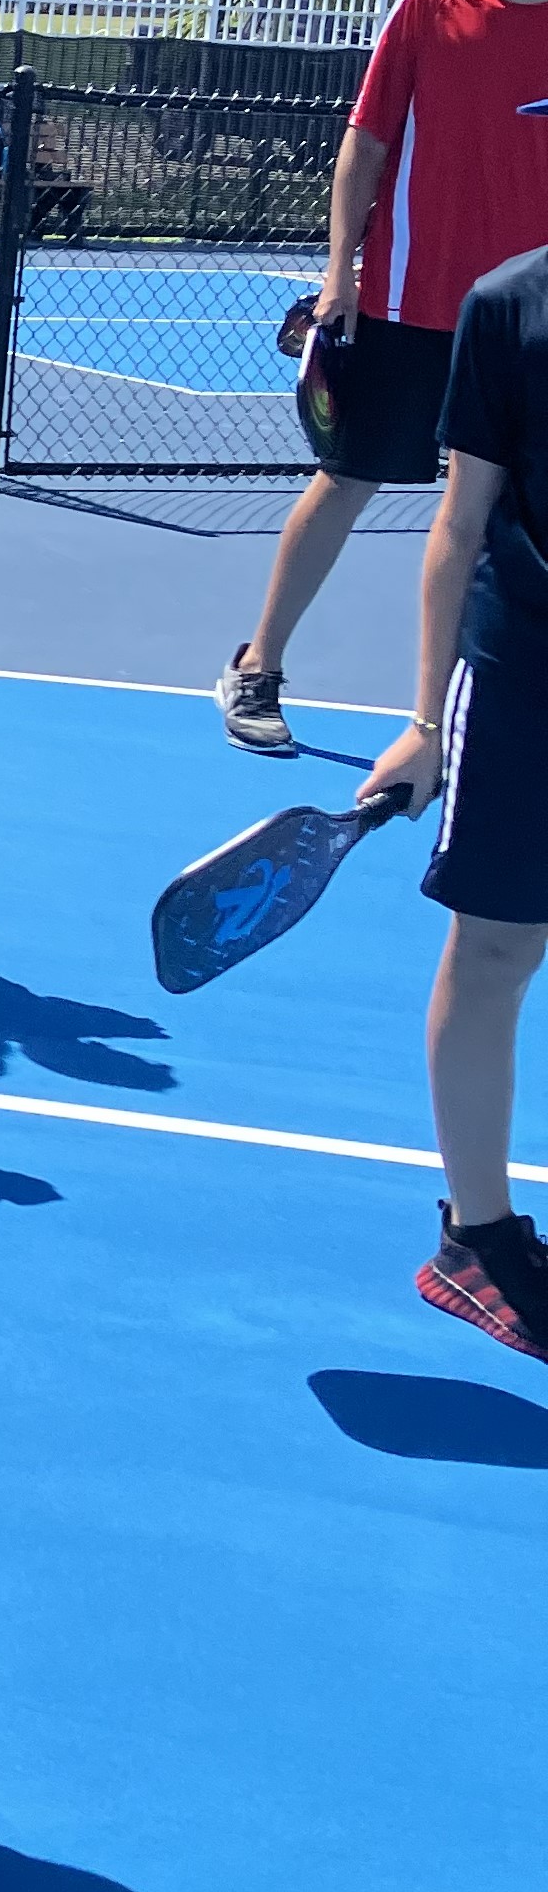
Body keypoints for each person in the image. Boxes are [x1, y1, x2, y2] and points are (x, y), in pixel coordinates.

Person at [219, 0, 548, 753]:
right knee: (348, 481)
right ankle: (258, 667)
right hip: (408, 302)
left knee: (500, 517)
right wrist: (339, 273)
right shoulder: (428, 7)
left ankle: (469, 712)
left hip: (524, 329)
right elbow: (363, 145)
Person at [361, 235, 548, 1365]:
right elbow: (460, 518)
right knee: (494, 950)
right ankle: (478, 1239)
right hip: (527, 672)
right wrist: (425, 723)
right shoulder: (509, 306)